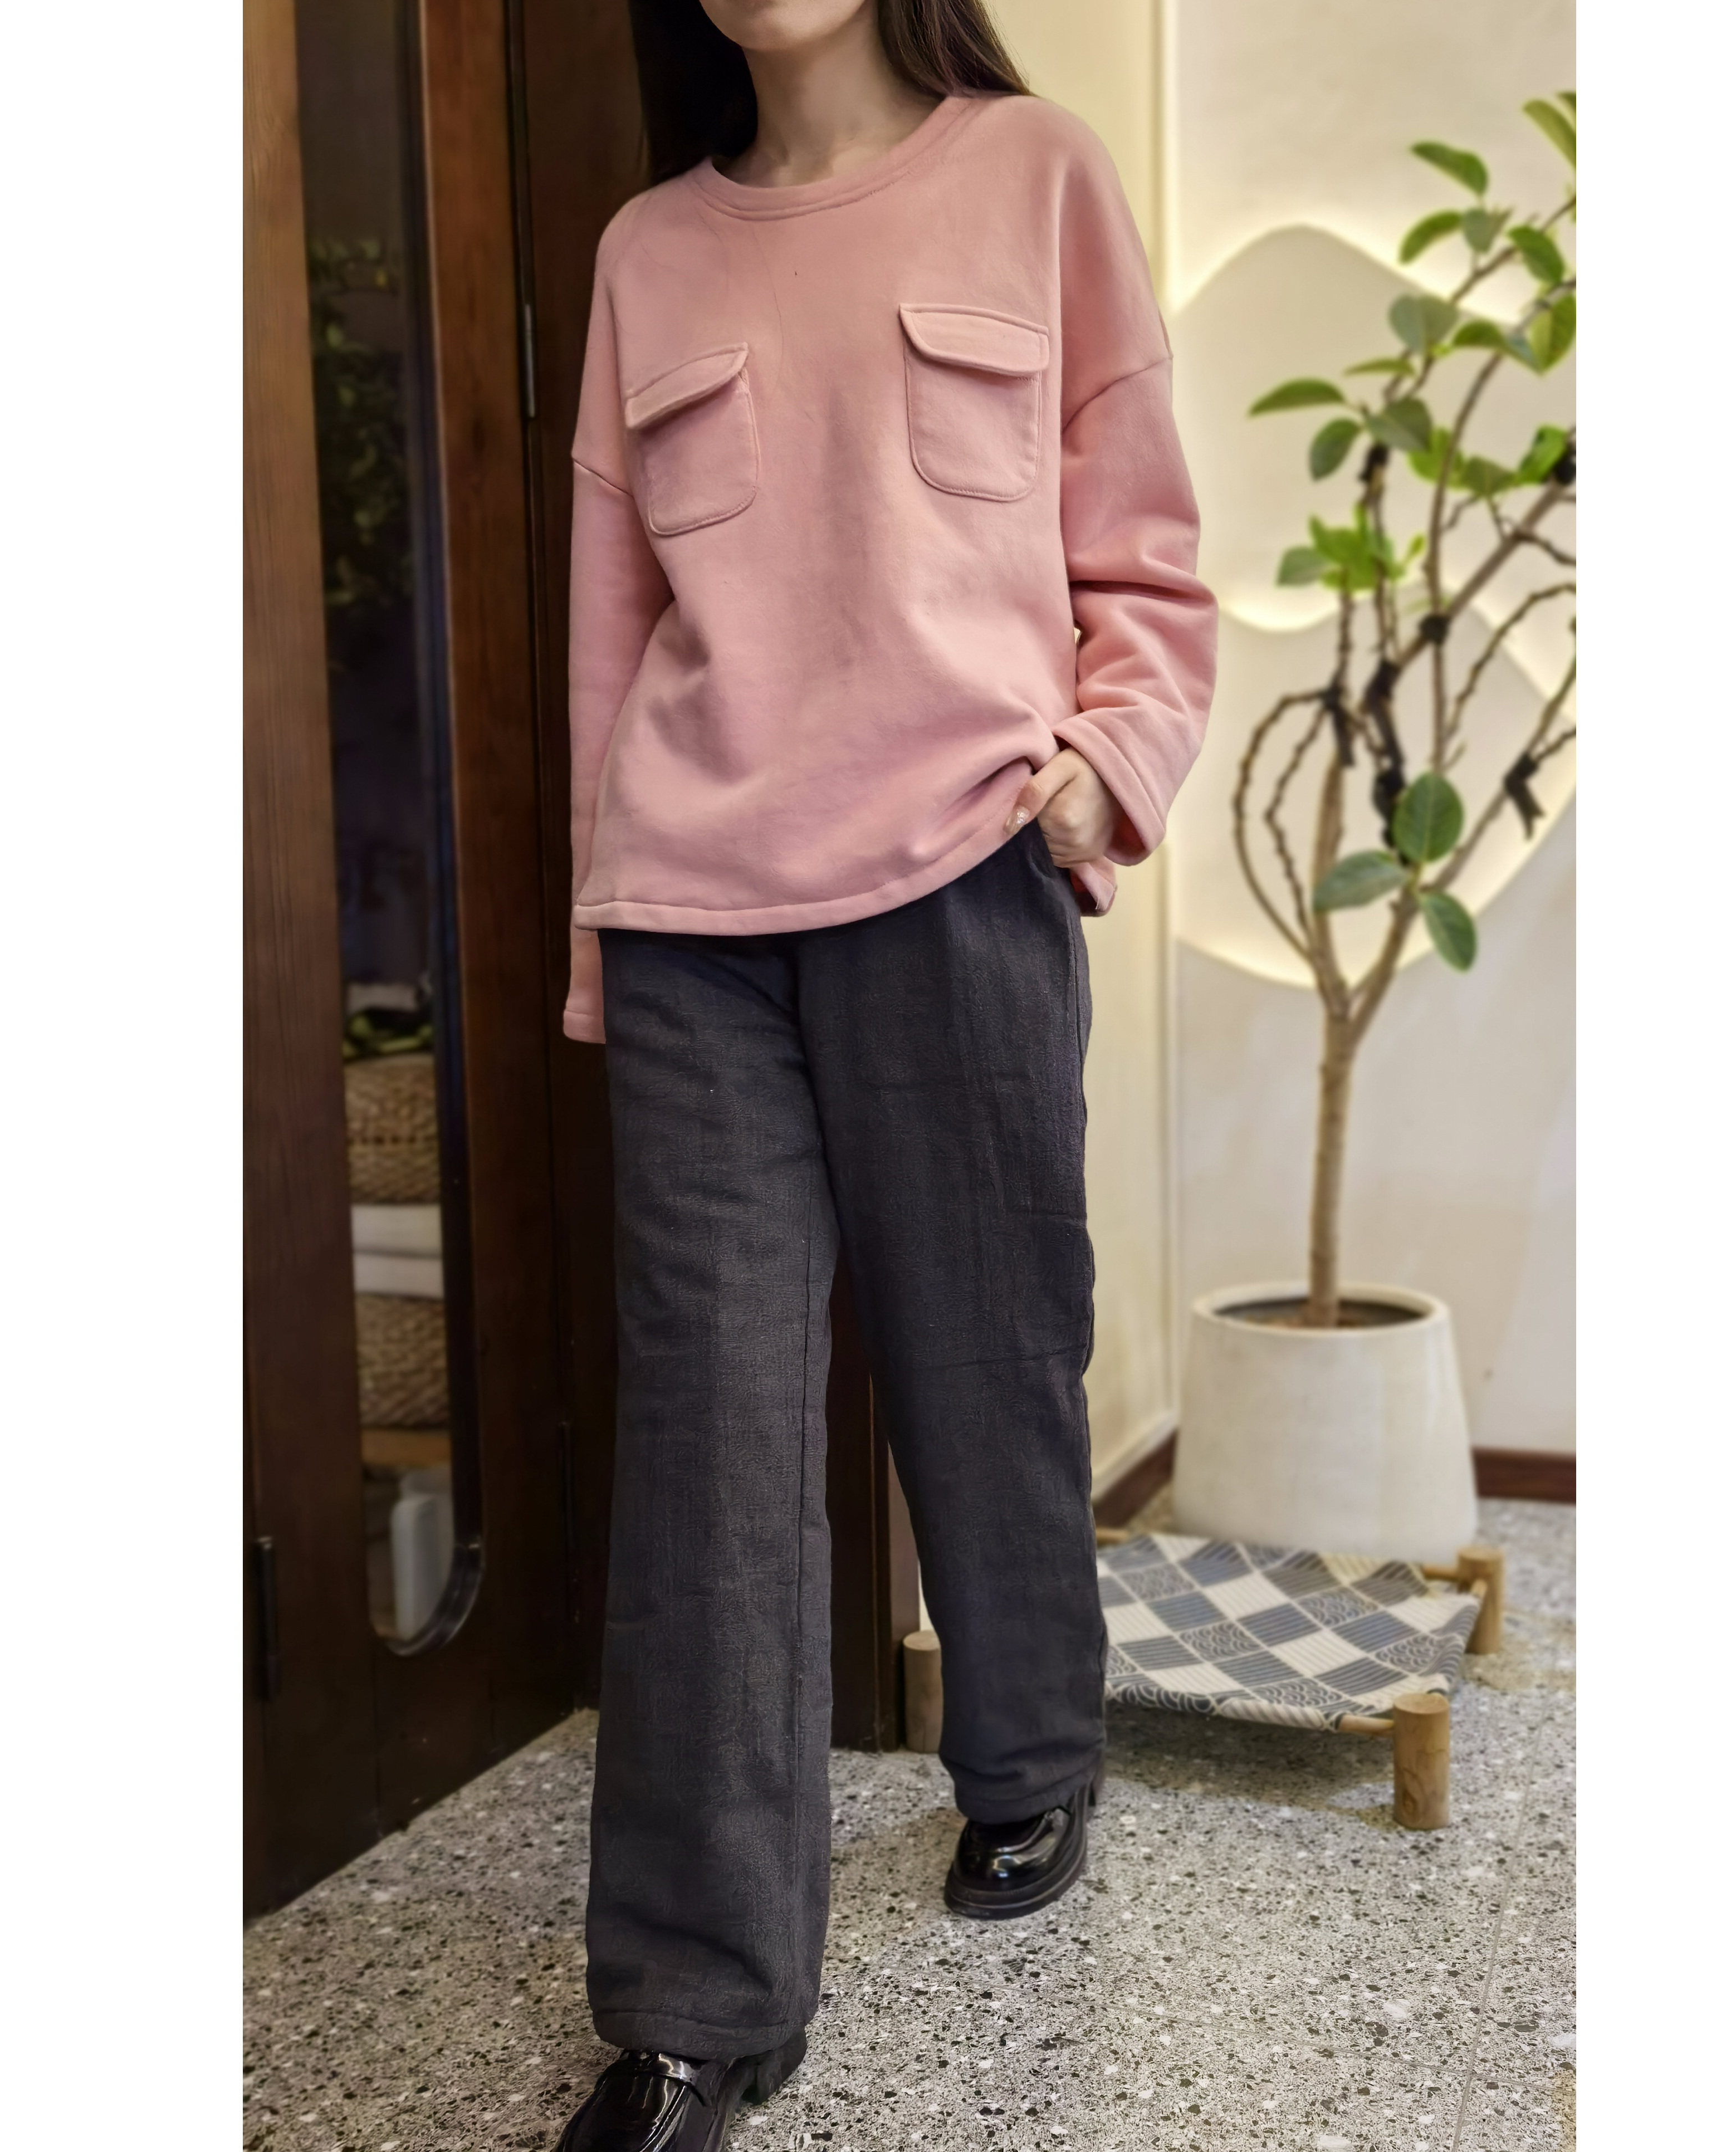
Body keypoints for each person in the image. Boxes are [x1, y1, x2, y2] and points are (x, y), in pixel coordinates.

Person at [555, 3, 1215, 2145]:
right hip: (696, 919)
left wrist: (1099, 772)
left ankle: (1030, 1756)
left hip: (959, 870)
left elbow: (1149, 559)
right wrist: (600, 932)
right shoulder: (649, 250)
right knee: (710, 1436)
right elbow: (608, 631)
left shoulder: (1038, 175)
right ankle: (695, 2005)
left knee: (989, 1355)